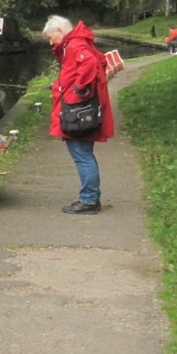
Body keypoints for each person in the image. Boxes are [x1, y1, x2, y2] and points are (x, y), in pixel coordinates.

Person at [43, 15, 115, 214]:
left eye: (51, 37)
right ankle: (90, 197)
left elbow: (90, 63)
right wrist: (63, 85)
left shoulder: (74, 45)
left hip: (77, 112)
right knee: (84, 154)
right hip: (81, 109)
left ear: (60, 31)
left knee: (82, 156)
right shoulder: (76, 44)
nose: (51, 42)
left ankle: (89, 200)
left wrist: (78, 89)